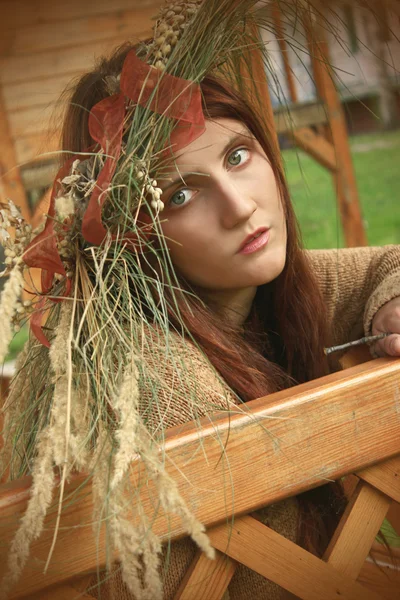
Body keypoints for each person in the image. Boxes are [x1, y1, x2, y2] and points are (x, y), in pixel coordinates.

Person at [1, 1, 400, 599]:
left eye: (238, 155)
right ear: (131, 237)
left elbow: (385, 265)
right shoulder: (153, 374)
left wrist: (390, 303)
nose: (241, 207)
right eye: (182, 194)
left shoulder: (244, 293)